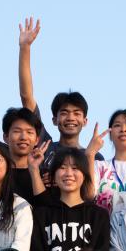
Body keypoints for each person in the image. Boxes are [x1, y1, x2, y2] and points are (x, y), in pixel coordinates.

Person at [25, 147, 111, 251]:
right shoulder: (41, 213)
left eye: (75, 168)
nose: (69, 173)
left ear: (85, 175)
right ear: (53, 175)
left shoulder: (98, 215)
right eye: (62, 168)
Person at [17, 16, 100, 181]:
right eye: (64, 113)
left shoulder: (95, 156)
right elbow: (26, 97)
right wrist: (25, 48)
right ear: (54, 120)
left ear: (85, 121)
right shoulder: (44, 146)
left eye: (77, 113)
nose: (70, 118)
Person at [90, 109, 126, 213]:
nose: (123, 129)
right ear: (110, 134)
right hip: (104, 223)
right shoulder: (98, 166)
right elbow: (88, 196)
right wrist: (90, 154)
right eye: (117, 125)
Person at [2, 106, 46, 200]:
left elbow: (44, 205)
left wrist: (34, 170)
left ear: (37, 140)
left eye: (29, 132)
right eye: (17, 131)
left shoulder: (46, 177)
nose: (23, 137)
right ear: (5, 137)